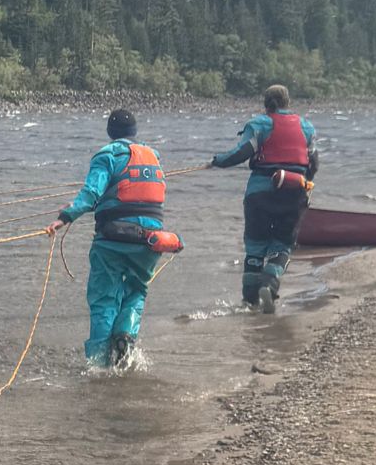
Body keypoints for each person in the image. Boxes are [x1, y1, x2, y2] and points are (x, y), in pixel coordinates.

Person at [49, 107, 180, 370]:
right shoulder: (153, 158)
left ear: (110, 132)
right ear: (134, 132)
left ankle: (98, 366)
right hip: (150, 242)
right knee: (137, 290)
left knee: (103, 299)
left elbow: (90, 194)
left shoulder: (107, 155)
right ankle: (125, 338)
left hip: (112, 239)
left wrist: (64, 217)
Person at [209, 82, 319, 309]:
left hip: (260, 194)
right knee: (283, 245)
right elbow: (314, 163)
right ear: (288, 102)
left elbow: (241, 153)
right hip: (294, 193)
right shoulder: (306, 127)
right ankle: (270, 283)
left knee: (255, 245)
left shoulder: (259, 124)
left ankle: (250, 302)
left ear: (266, 103)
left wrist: (217, 161)